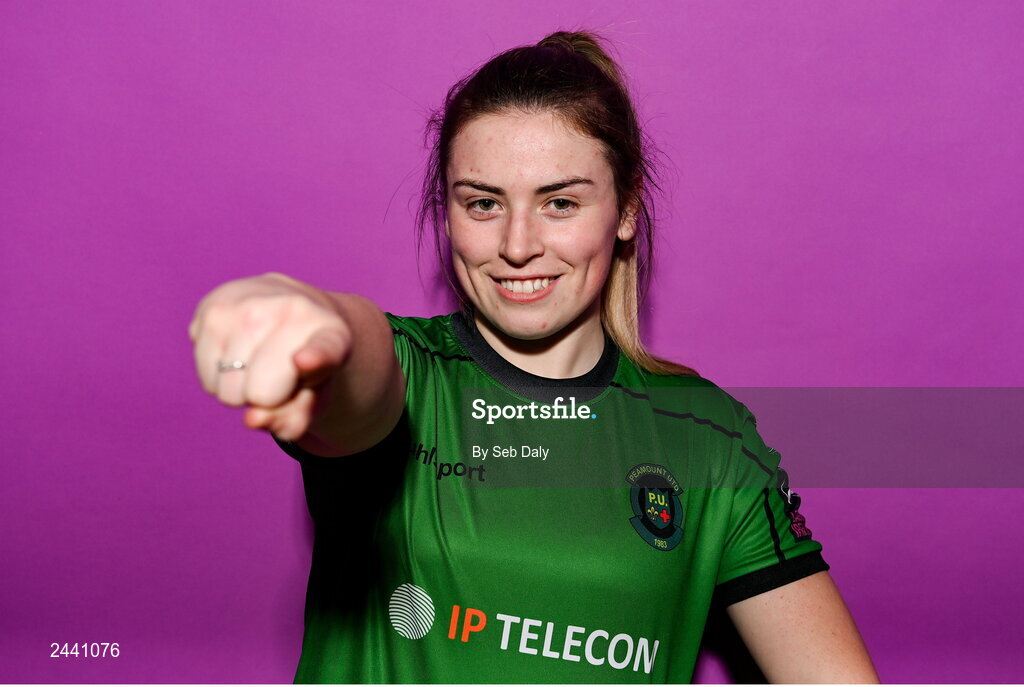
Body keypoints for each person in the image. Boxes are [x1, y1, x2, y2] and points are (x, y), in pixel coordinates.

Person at [189, 31, 878, 683]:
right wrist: (319, 322)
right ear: (446, 211)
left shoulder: (711, 440)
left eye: (560, 202)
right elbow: (362, 373)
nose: (518, 244)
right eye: (484, 203)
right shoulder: (414, 377)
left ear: (627, 207)